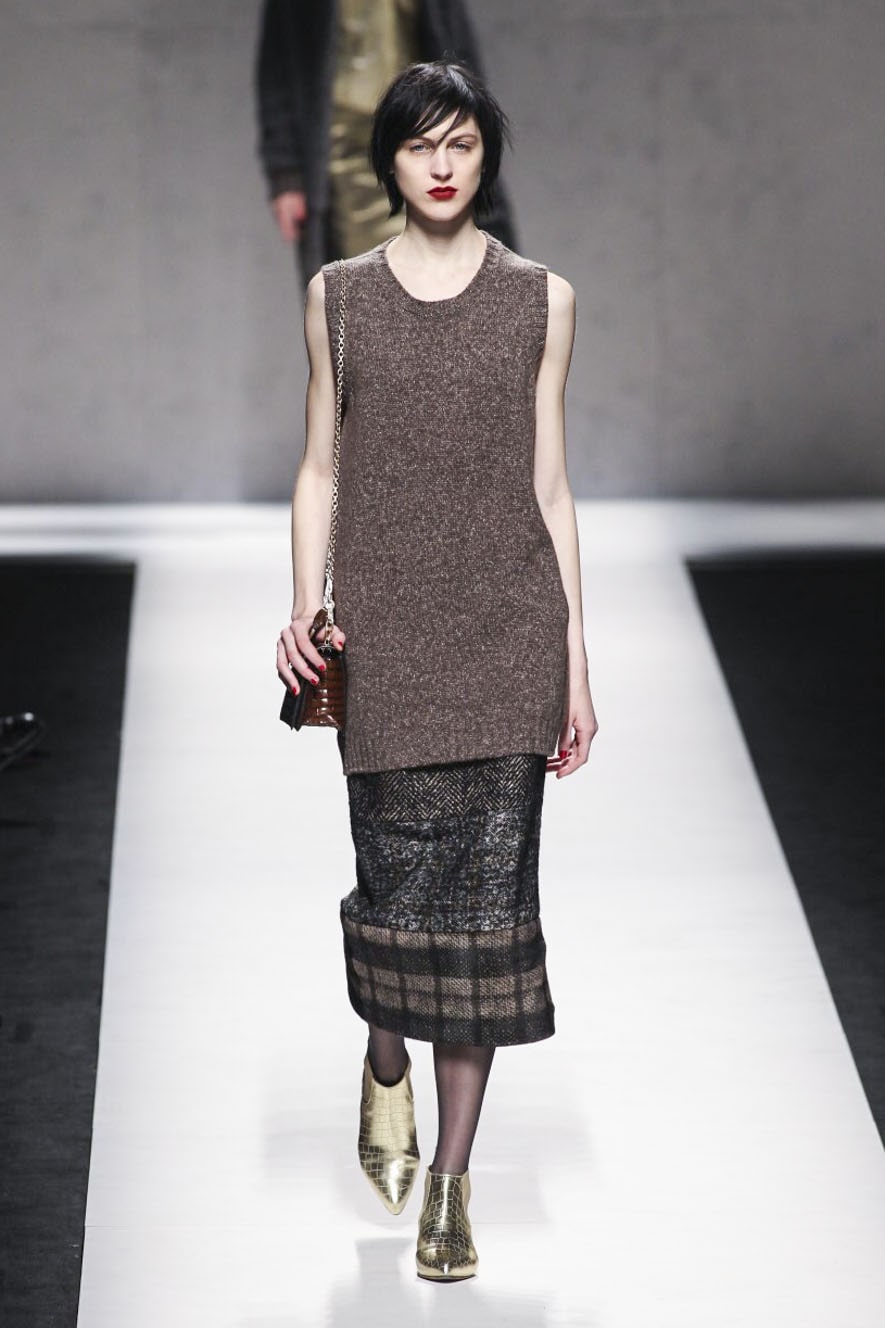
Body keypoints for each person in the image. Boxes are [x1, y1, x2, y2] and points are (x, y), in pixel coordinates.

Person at [276, 61, 598, 1282]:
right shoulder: (338, 299)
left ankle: (452, 1182)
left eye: (463, 143)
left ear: (487, 157)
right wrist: (303, 603)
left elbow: (552, 486)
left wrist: (574, 661)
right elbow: (319, 465)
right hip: (390, 640)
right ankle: (384, 1048)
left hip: (507, 633)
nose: (445, 164)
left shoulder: (543, 300)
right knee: (394, 890)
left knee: (488, 920)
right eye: (422, 145)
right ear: (391, 163)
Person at [254, 0, 516, 284]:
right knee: (371, 280)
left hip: (424, 135)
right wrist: (286, 173)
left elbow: (455, 44)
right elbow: (277, 61)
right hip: (345, 155)